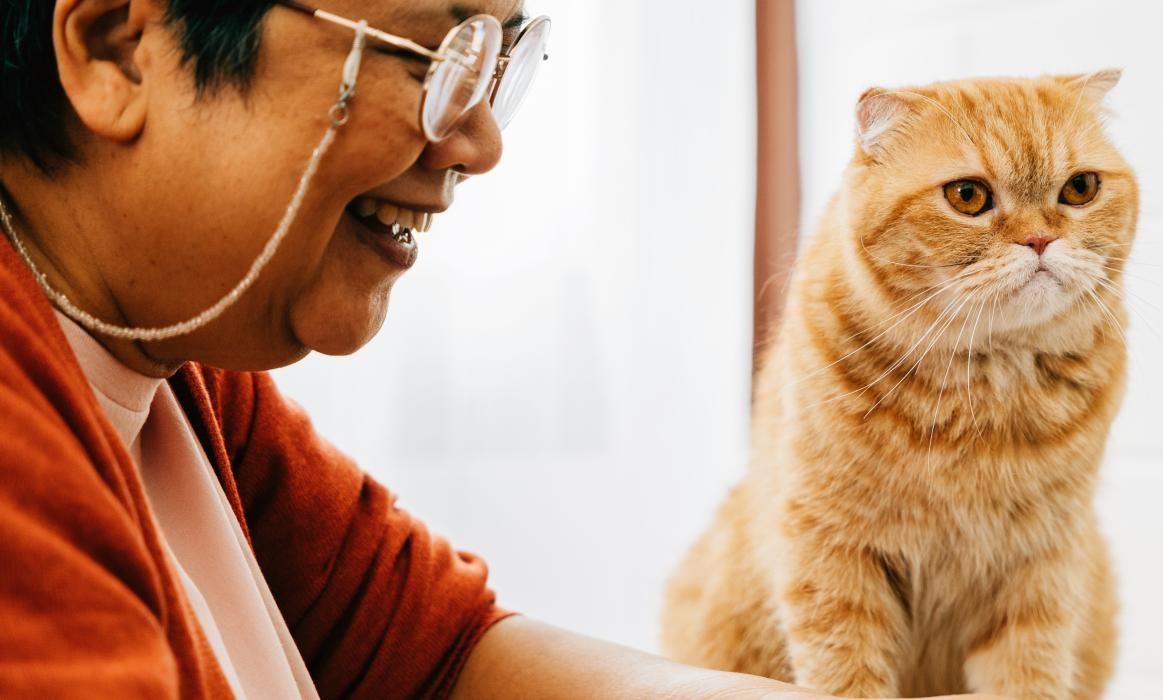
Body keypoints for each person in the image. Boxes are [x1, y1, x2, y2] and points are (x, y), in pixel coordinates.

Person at [0, 1, 998, 697]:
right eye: (431, 60)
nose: (481, 143)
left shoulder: (179, 361)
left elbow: (445, 655)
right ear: (118, 49)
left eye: (497, 63)